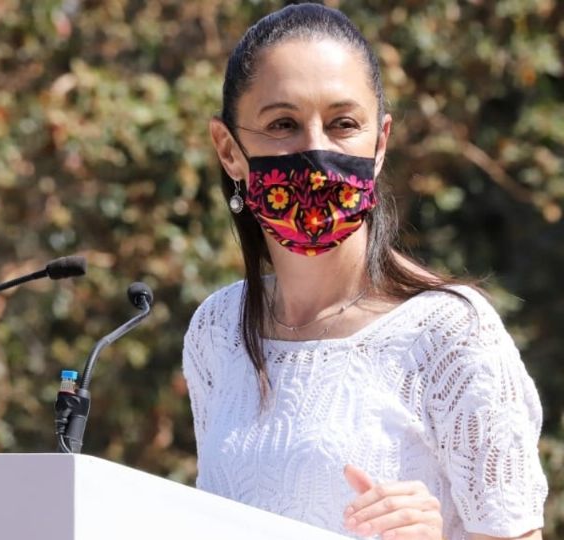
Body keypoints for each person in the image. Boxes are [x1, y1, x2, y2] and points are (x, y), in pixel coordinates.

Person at [182, 4, 547, 540]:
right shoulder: (216, 331)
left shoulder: (450, 335)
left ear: (379, 144)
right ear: (228, 150)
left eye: (343, 123)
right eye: (283, 124)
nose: (315, 150)